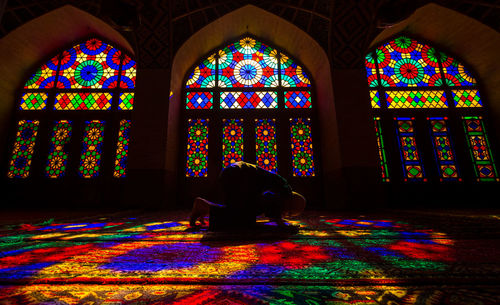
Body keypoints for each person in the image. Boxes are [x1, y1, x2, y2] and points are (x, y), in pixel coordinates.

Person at [189, 161, 306, 231]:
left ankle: (205, 206)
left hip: (234, 174)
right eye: (290, 212)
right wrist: (287, 226)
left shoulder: (281, 188)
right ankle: (205, 206)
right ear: (291, 202)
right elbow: (276, 218)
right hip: (239, 176)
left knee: (241, 216)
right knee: (245, 220)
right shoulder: (284, 190)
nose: (287, 215)